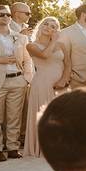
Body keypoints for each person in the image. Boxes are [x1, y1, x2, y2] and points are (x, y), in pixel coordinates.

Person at [0, 5, 28, 161]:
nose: (5, 17)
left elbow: (28, 60)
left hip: (17, 80)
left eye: (8, 15)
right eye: (1, 15)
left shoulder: (21, 37)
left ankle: (12, 148)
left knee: (14, 117)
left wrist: (27, 78)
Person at [23, 17, 71, 157]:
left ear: (56, 31)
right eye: (45, 24)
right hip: (42, 83)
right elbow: (45, 55)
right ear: (40, 25)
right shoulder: (31, 45)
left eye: (53, 26)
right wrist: (54, 40)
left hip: (61, 84)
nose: (48, 27)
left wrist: (64, 80)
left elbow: (68, 64)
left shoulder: (62, 45)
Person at [60, 3, 86, 88]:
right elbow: (65, 58)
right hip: (76, 81)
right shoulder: (66, 33)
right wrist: (70, 76)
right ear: (83, 15)